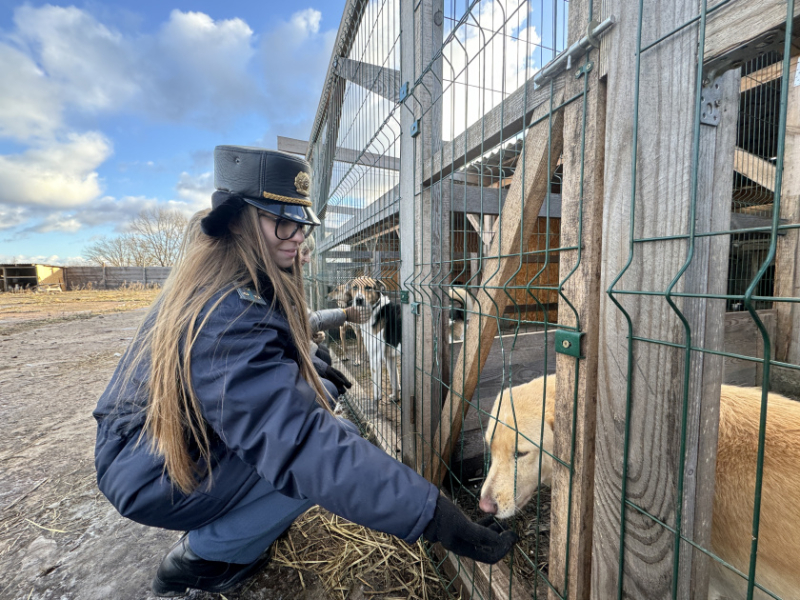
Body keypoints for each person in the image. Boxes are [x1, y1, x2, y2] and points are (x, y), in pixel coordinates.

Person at [92, 145, 517, 597]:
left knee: (315, 385)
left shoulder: (223, 281)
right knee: (327, 446)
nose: (299, 237)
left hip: (146, 446)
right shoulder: (227, 316)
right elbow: (302, 446)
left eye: (302, 224)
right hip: (147, 469)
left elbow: (281, 337)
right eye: (283, 223)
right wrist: (433, 515)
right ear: (240, 219)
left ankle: (233, 524)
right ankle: (206, 558)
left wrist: (331, 332)